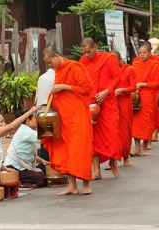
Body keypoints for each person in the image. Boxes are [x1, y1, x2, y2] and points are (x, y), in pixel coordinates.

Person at [41, 45, 93, 195]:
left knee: (80, 149)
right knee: (65, 150)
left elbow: (86, 88)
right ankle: (72, 186)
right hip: (64, 117)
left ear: (56, 56)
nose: (49, 65)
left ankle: (86, 184)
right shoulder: (58, 71)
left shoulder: (75, 67)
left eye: (50, 61)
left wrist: (65, 86)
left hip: (78, 115)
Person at [80, 38, 122, 180]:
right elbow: (81, 81)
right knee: (94, 138)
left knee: (112, 133)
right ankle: (96, 170)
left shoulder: (109, 59)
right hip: (91, 103)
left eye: (89, 51)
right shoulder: (83, 62)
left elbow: (117, 77)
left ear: (95, 47)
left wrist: (106, 91)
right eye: (84, 52)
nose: (87, 55)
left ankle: (113, 161)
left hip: (108, 102)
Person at [4, 110, 48, 188]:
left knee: (41, 175)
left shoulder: (26, 130)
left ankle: (22, 181)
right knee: (41, 179)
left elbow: (25, 154)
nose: (38, 120)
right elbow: (43, 137)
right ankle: (19, 182)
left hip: (18, 167)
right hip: (13, 167)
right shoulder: (25, 131)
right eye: (35, 118)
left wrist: (41, 161)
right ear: (28, 120)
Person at [131, 45, 159, 157]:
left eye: (144, 52)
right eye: (140, 52)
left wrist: (143, 84)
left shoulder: (155, 65)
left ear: (150, 53)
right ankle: (137, 148)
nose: (142, 54)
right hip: (136, 96)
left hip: (148, 96)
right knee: (135, 123)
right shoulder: (135, 64)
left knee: (146, 122)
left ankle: (144, 148)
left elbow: (157, 83)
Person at [111, 50, 136, 167]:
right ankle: (113, 161)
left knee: (125, 131)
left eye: (114, 60)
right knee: (112, 132)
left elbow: (133, 87)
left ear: (120, 59)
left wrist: (122, 90)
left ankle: (126, 158)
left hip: (125, 103)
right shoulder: (109, 71)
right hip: (112, 103)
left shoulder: (129, 69)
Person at [35, 67, 55, 173]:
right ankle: (49, 169)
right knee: (51, 142)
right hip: (51, 112)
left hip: (41, 111)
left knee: (44, 142)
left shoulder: (42, 77)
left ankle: (44, 169)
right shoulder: (55, 77)